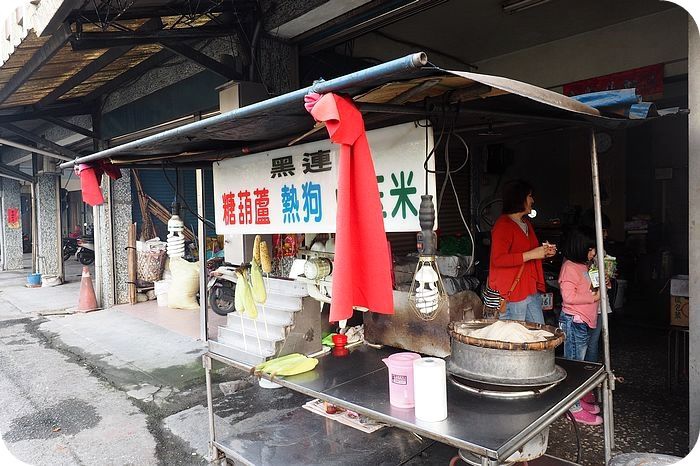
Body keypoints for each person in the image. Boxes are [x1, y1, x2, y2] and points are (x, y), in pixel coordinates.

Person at [488, 180, 556, 324]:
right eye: (530, 196)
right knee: (516, 340)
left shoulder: (526, 223)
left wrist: (544, 253)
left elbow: (529, 254)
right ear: (519, 198)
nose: (533, 200)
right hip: (513, 292)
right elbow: (498, 259)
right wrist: (532, 254)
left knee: (538, 335)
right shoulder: (503, 225)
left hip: (530, 289)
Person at [558, 227, 603, 426]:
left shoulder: (584, 265)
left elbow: (588, 288)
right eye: (590, 249)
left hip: (584, 321)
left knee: (579, 361)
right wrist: (593, 296)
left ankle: (578, 400)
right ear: (579, 248)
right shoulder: (569, 267)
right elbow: (568, 297)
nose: (593, 253)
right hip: (574, 321)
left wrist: (603, 284)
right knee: (574, 365)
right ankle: (573, 408)